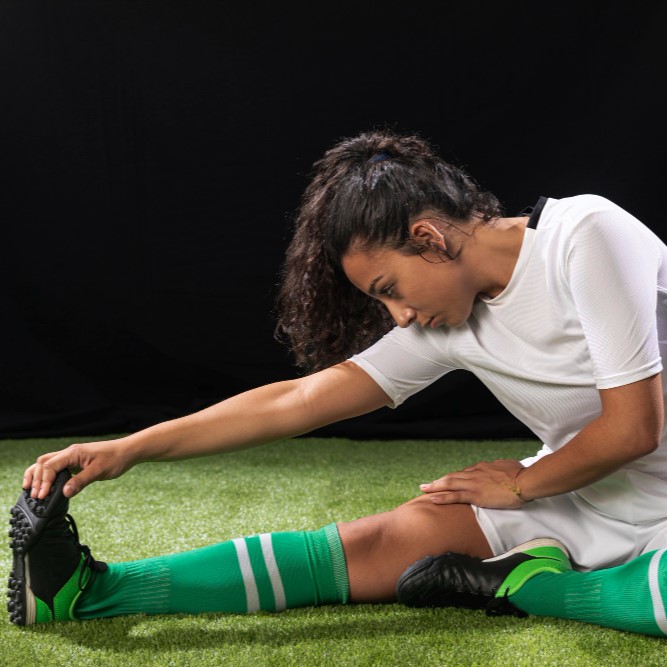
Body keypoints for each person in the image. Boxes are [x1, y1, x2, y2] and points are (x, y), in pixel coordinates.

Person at [8, 129, 667, 635]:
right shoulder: (448, 324)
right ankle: (91, 592)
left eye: (389, 288)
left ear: (430, 239)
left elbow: (634, 428)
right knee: (378, 542)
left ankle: (532, 586)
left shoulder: (584, 234)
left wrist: (521, 483)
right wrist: (128, 448)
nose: (399, 315)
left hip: (566, 484)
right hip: (574, 494)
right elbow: (297, 400)